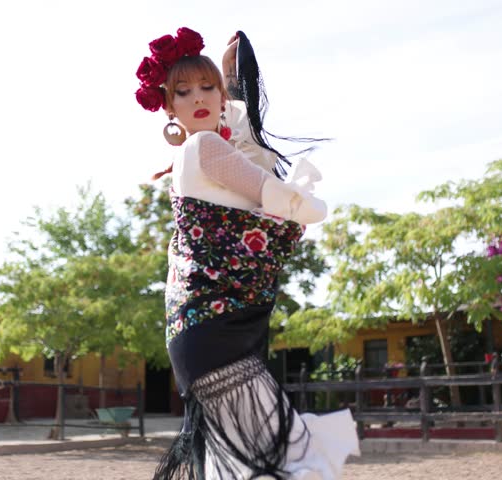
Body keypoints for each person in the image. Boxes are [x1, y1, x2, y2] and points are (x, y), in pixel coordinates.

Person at [134, 28, 359, 479]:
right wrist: (307, 205)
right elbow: (277, 196)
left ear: (221, 94)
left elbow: (246, 158)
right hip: (216, 332)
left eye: (207, 86)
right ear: (168, 107)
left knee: (250, 460)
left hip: (212, 329)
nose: (198, 97)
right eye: (183, 91)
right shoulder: (203, 147)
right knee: (281, 454)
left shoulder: (202, 155)